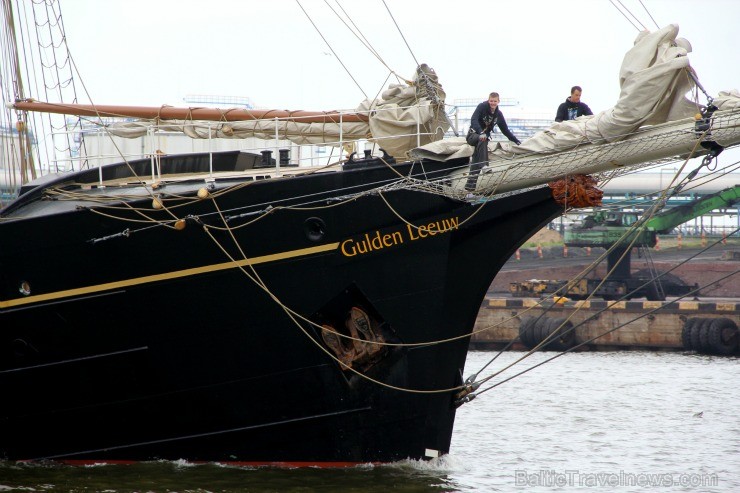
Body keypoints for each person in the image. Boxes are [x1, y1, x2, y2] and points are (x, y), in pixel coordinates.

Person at [465, 92, 521, 192]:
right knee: (483, 139)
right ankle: (485, 165)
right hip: (473, 136)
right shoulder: (482, 106)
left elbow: (505, 130)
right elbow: (473, 119)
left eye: (495, 101)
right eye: (491, 101)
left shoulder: (498, 115)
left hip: (482, 141)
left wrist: (516, 141)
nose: (492, 103)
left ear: (498, 101)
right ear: (488, 100)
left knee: (476, 162)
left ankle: (470, 191)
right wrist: (481, 132)